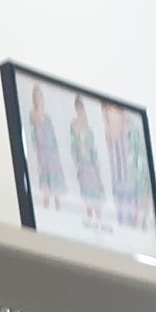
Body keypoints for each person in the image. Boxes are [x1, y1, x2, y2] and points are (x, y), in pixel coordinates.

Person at [27, 84, 64, 211]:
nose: (39, 99)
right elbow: (33, 135)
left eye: (40, 96)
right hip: (42, 152)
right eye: (36, 96)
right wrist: (37, 152)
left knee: (55, 180)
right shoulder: (32, 115)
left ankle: (58, 206)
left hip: (52, 152)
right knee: (45, 181)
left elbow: (52, 136)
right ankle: (46, 207)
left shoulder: (47, 116)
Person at [70, 94, 105, 227]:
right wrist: (76, 164)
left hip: (90, 163)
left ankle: (99, 220)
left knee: (95, 191)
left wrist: (96, 165)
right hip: (82, 164)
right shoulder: (73, 125)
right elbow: (74, 147)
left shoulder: (88, 127)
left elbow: (93, 148)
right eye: (78, 108)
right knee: (86, 191)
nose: (81, 111)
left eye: (82, 109)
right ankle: (90, 220)